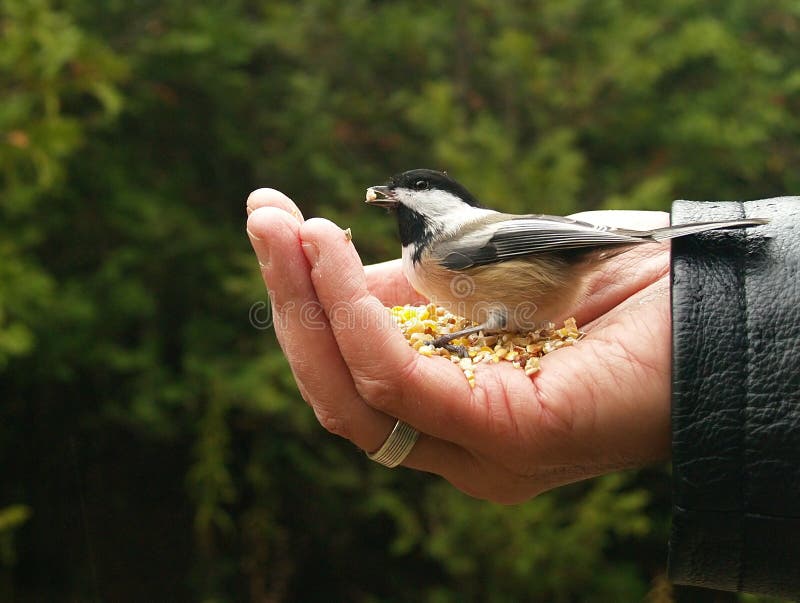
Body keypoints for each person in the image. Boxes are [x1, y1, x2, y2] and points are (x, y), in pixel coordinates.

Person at [246, 188, 800, 599]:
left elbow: (531, 245)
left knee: (481, 322)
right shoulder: (433, 254)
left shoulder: (445, 248)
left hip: (552, 262)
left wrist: (452, 337)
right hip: (552, 278)